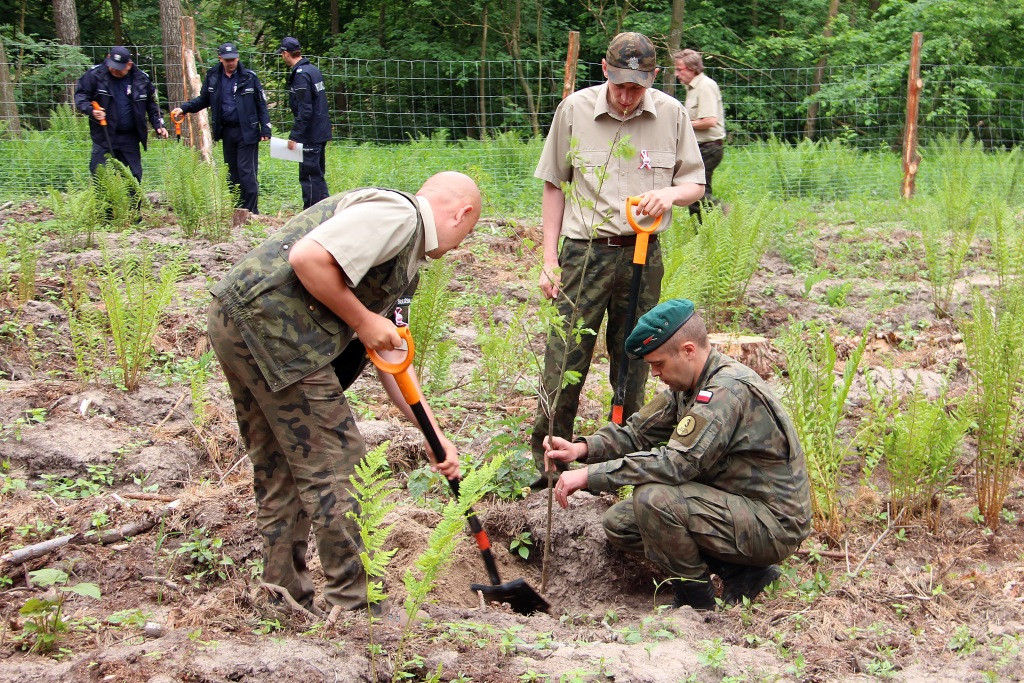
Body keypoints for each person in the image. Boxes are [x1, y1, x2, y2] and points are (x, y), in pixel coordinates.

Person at [207, 172, 481, 616]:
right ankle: (355, 607)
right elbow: (309, 258)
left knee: (281, 466)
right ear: (461, 213)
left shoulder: (404, 258)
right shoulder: (401, 216)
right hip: (277, 333)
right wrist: (362, 320)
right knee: (339, 465)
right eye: (466, 234)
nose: (459, 246)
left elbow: (391, 357)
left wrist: (434, 434)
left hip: (242, 324)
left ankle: (282, 597)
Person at [544, 299, 812, 610]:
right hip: (737, 507)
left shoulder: (725, 391)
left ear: (687, 350)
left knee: (653, 500)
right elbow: (638, 433)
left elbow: (676, 464)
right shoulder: (689, 385)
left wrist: (592, 476)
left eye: (658, 364)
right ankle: (742, 572)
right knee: (623, 522)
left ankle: (695, 600)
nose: (655, 373)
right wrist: (581, 449)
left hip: (772, 524)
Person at [529, 32, 706, 488]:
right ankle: (549, 462)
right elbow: (553, 183)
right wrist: (549, 258)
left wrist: (668, 194)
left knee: (638, 356)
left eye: (638, 86)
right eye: (621, 85)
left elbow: (695, 185)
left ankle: (629, 460)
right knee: (565, 356)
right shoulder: (574, 111)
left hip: (644, 255)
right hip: (585, 253)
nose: (628, 96)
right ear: (605, 70)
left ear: (651, 78)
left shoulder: (671, 114)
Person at [171, 42, 270, 214]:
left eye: (233, 59)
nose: (231, 63)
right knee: (232, 173)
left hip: (247, 130)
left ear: (238, 58)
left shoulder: (249, 77)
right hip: (227, 131)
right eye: (227, 60)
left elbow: (261, 104)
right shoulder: (214, 76)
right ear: (220, 59)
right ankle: (238, 209)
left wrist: (265, 128)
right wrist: (185, 108)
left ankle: (252, 211)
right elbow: (203, 100)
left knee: (247, 172)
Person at [73, 46, 168, 183]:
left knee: (132, 178)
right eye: (113, 66)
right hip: (103, 135)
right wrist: (91, 110)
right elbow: (81, 96)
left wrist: (158, 124)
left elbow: (152, 105)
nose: (114, 70)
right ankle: (106, 205)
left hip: (130, 137)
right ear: (108, 58)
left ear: (129, 65)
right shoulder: (94, 75)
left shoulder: (141, 79)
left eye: (119, 68)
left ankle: (133, 205)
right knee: (101, 178)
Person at [278, 37, 332, 209]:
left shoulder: (301, 75)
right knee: (317, 174)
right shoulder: (313, 70)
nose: (282, 57)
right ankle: (326, 212)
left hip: (311, 133)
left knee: (309, 176)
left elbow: (305, 109)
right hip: (320, 130)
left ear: (285, 53)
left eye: (282, 54)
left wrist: (295, 135)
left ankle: (311, 215)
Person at [673, 49, 727, 217]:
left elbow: (710, 121)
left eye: (679, 69)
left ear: (692, 68)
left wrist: (683, 125)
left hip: (709, 148)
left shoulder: (705, 86)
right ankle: (708, 233)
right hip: (701, 148)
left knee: (695, 193)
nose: (676, 74)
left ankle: (724, 213)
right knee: (700, 191)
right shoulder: (692, 89)